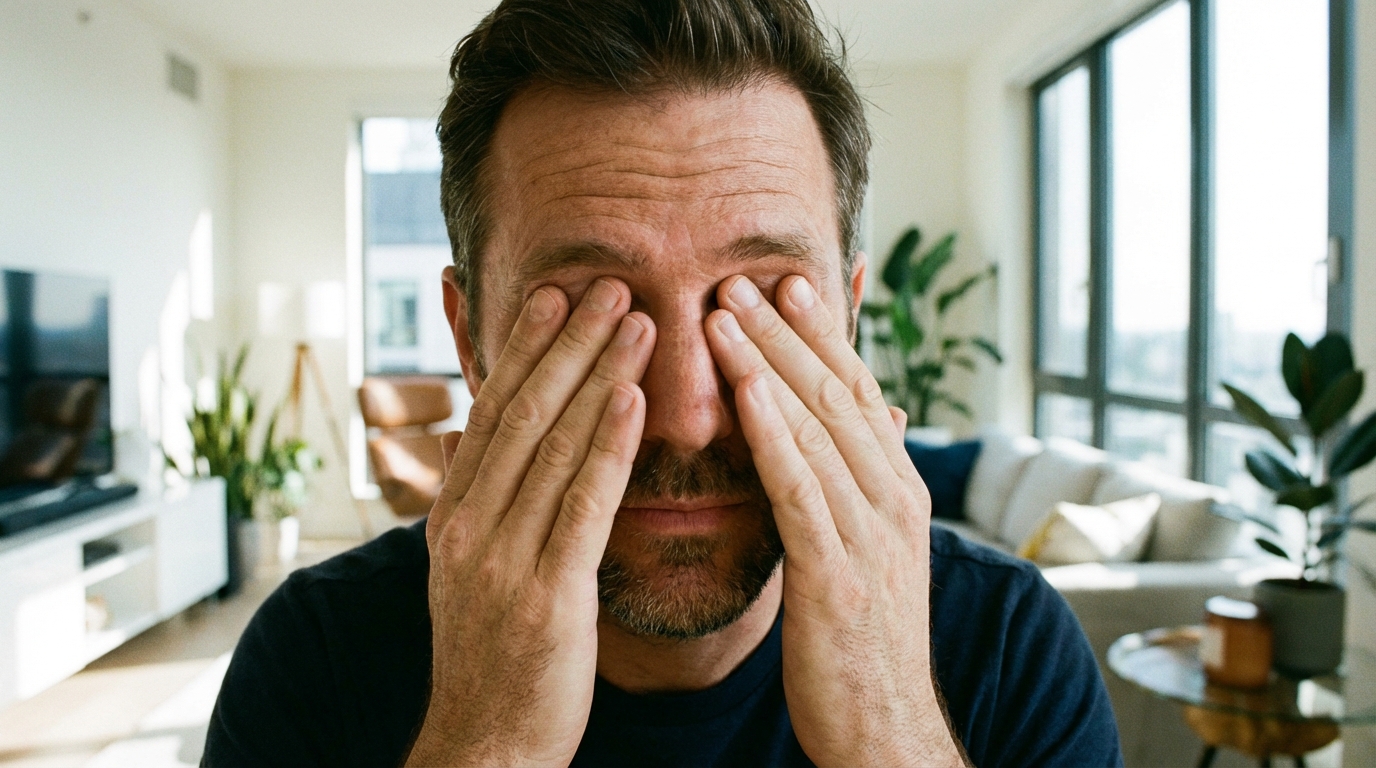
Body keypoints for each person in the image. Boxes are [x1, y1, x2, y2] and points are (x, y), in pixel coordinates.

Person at [203, 1, 1122, 765]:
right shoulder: (313, 659)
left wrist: (892, 737)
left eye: (757, 304)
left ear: (843, 324)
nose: (687, 415)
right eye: (589, 312)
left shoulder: (1012, 647)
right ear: (469, 339)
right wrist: (488, 743)